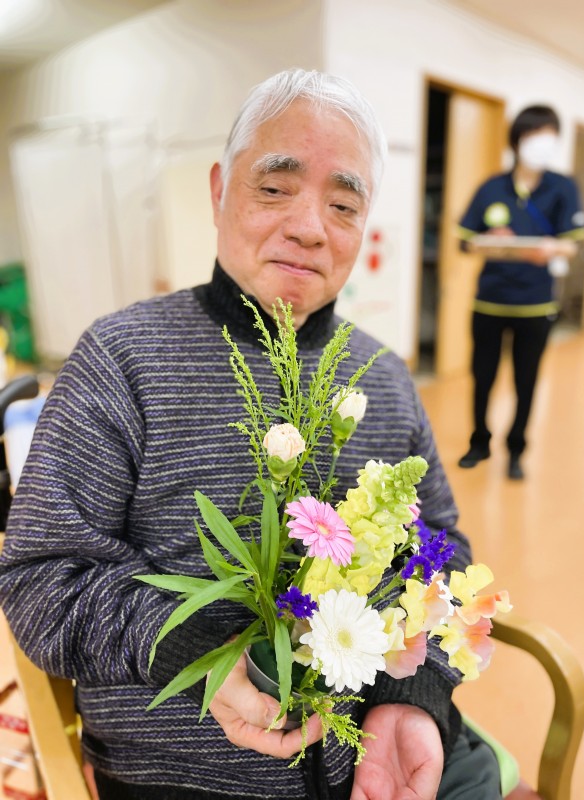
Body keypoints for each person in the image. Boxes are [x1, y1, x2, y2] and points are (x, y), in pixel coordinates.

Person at [0, 69, 502, 800]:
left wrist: (414, 698)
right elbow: (41, 580)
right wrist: (199, 649)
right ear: (218, 191)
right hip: (188, 776)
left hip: (379, 759)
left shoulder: (385, 378)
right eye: (275, 188)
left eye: (343, 204)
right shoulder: (123, 359)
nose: (309, 227)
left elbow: (443, 552)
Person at [456, 105, 584, 480]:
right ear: (517, 140)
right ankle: (479, 442)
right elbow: (465, 242)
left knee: (525, 381)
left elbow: (572, 245)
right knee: (482, 377)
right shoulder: (492, 187)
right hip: (490, 300)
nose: (541, 144)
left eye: (549, 136)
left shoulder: (562, 187)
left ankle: (516, 449)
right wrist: (490, 240)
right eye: (534, 135)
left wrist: (549, 248)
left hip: (536, 304)